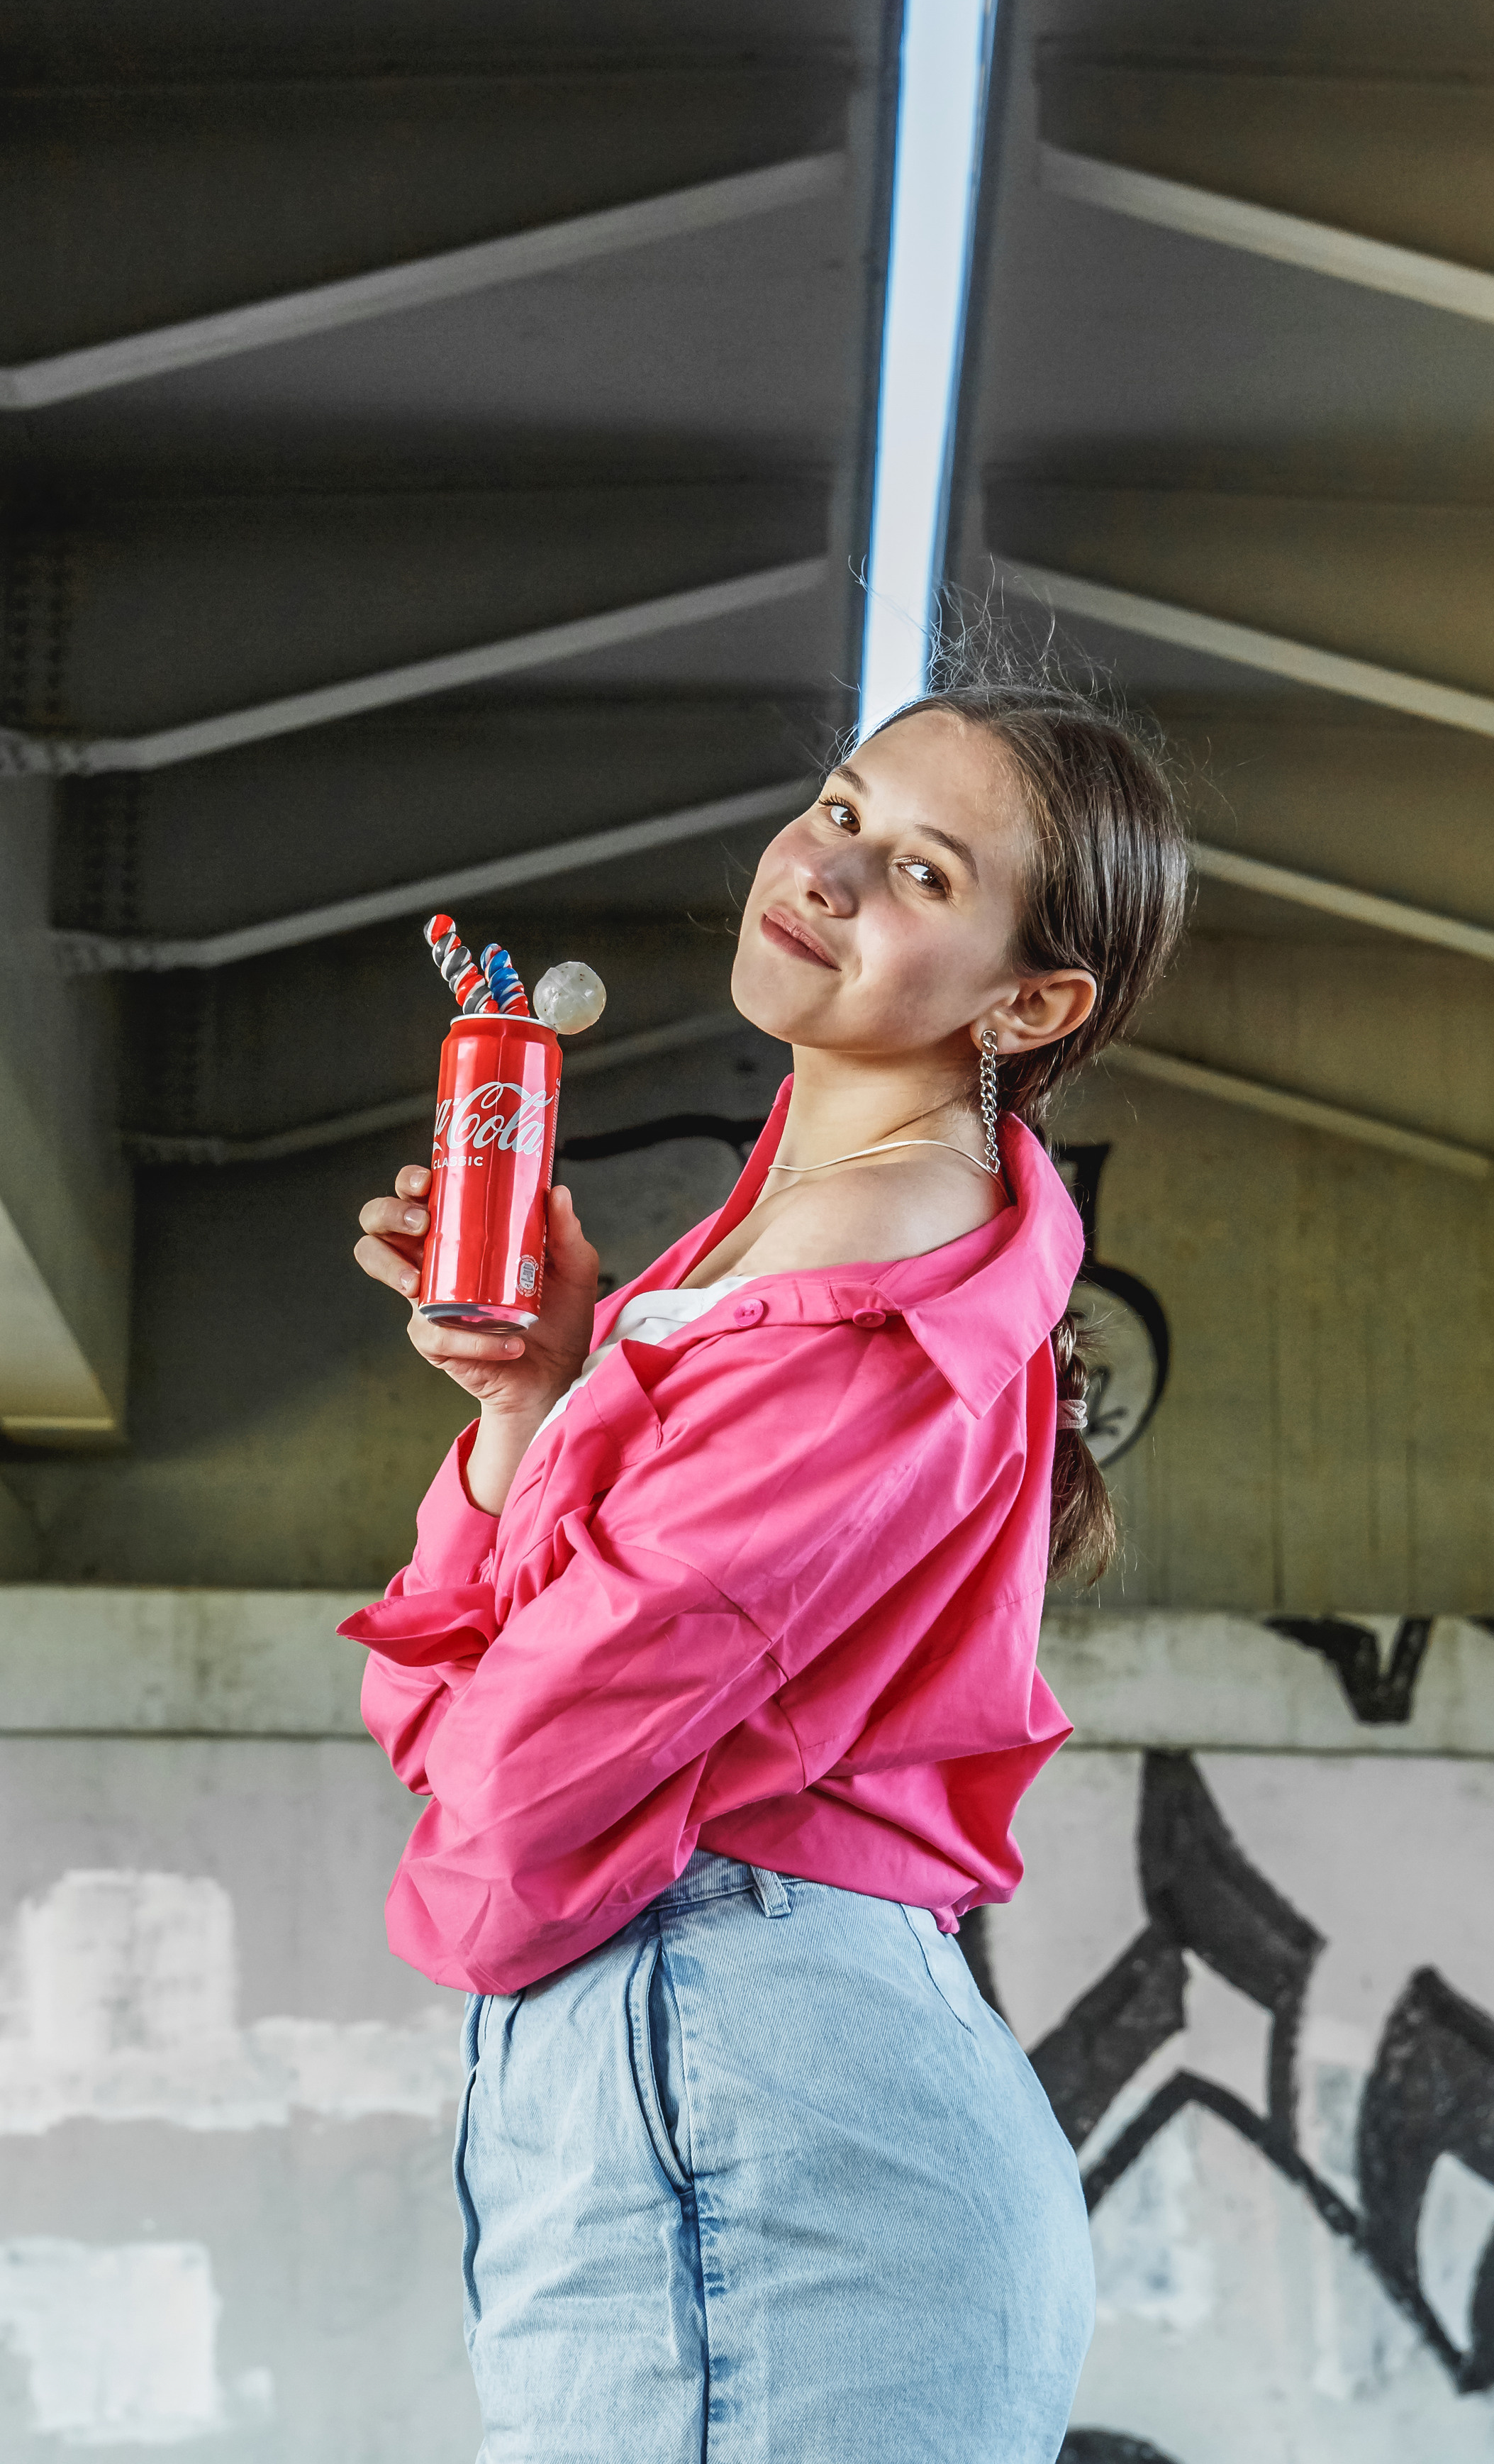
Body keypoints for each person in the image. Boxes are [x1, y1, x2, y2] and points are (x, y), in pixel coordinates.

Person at [344, 676, 1191, 2464]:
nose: (828, 869)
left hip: (755, 2108)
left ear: (1028, 1001)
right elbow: (466, 1686)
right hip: (742, 2096)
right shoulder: (762, 1251)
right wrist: (531, 1393)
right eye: (835, 804)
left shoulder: (870, 1285)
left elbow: (510, 1776)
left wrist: (485, 1797)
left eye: (922, 871)